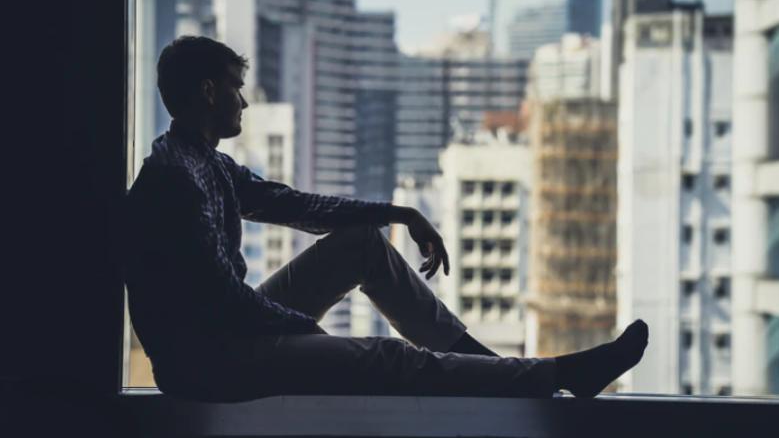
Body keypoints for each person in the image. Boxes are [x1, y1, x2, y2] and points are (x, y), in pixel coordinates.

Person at [123, 36, 648, 403]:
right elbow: (225, 302)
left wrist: (398, 213)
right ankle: (557, 375)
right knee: (387, 358)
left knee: (362, 245)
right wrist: (305, 331)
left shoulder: (206, 162)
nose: (243, 101)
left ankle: (495, 371)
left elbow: (299, 206)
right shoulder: (175, 179)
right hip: (209, 362)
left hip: (231, 335)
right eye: (235, 87)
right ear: (209, 92)